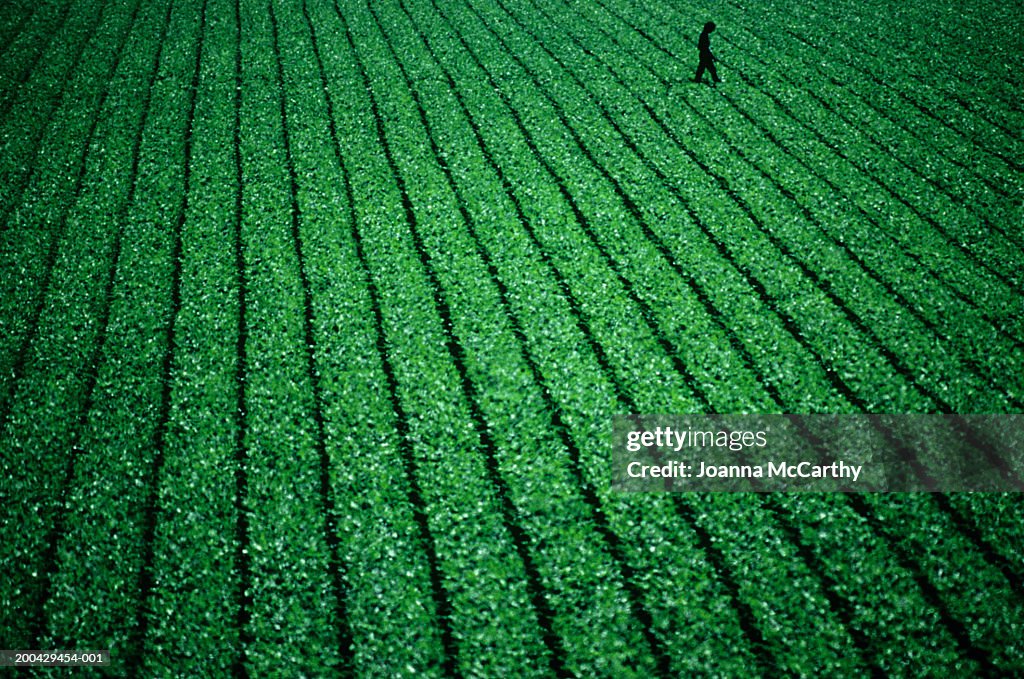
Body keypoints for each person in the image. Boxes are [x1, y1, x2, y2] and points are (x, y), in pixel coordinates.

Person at [694, 22, 722, 86]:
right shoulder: (704, 36)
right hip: (705, 54)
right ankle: (715, 79)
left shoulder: (704, 35)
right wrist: (711, 56)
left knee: (702, 67)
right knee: (710, 68)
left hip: (703, 54)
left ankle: (697, 79)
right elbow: (704, 47)